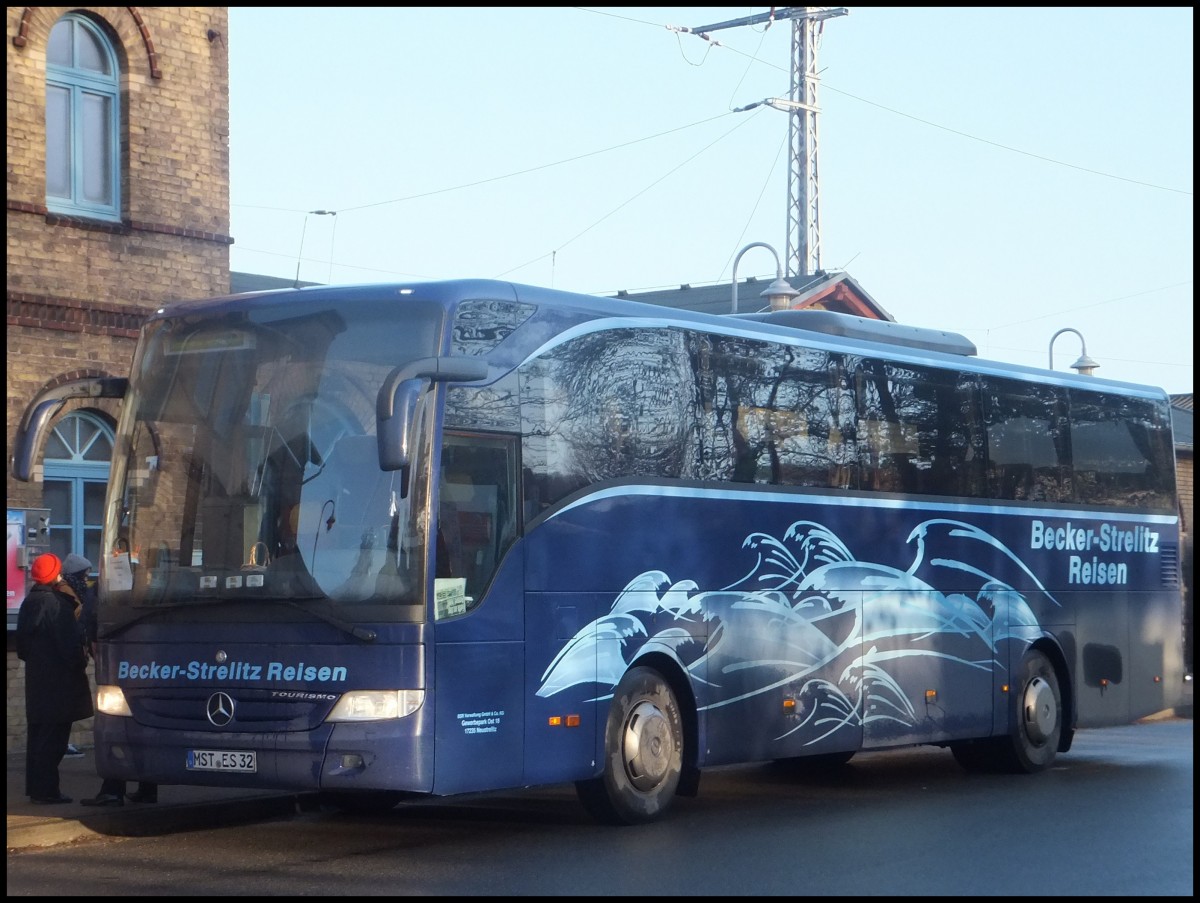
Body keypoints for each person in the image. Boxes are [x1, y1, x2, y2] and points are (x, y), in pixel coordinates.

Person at [64, 552, 160, 808]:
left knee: (115, 725)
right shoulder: (151, 587)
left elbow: (88, 622)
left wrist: (93, 648)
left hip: (116, 662)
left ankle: (113, 789)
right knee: (144, 722)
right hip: (148, 666)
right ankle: (148, 786)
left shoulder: (105, 589)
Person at [16, 552, 94, 804]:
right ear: (54, 575)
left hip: (38, 682)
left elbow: (22, 648)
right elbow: (70, 648)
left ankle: (38, 789)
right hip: (60, 684)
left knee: (38, 738)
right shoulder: (57, 605)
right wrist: (80, 660)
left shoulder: (30, 602)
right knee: (55, 741)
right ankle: (48, 791)